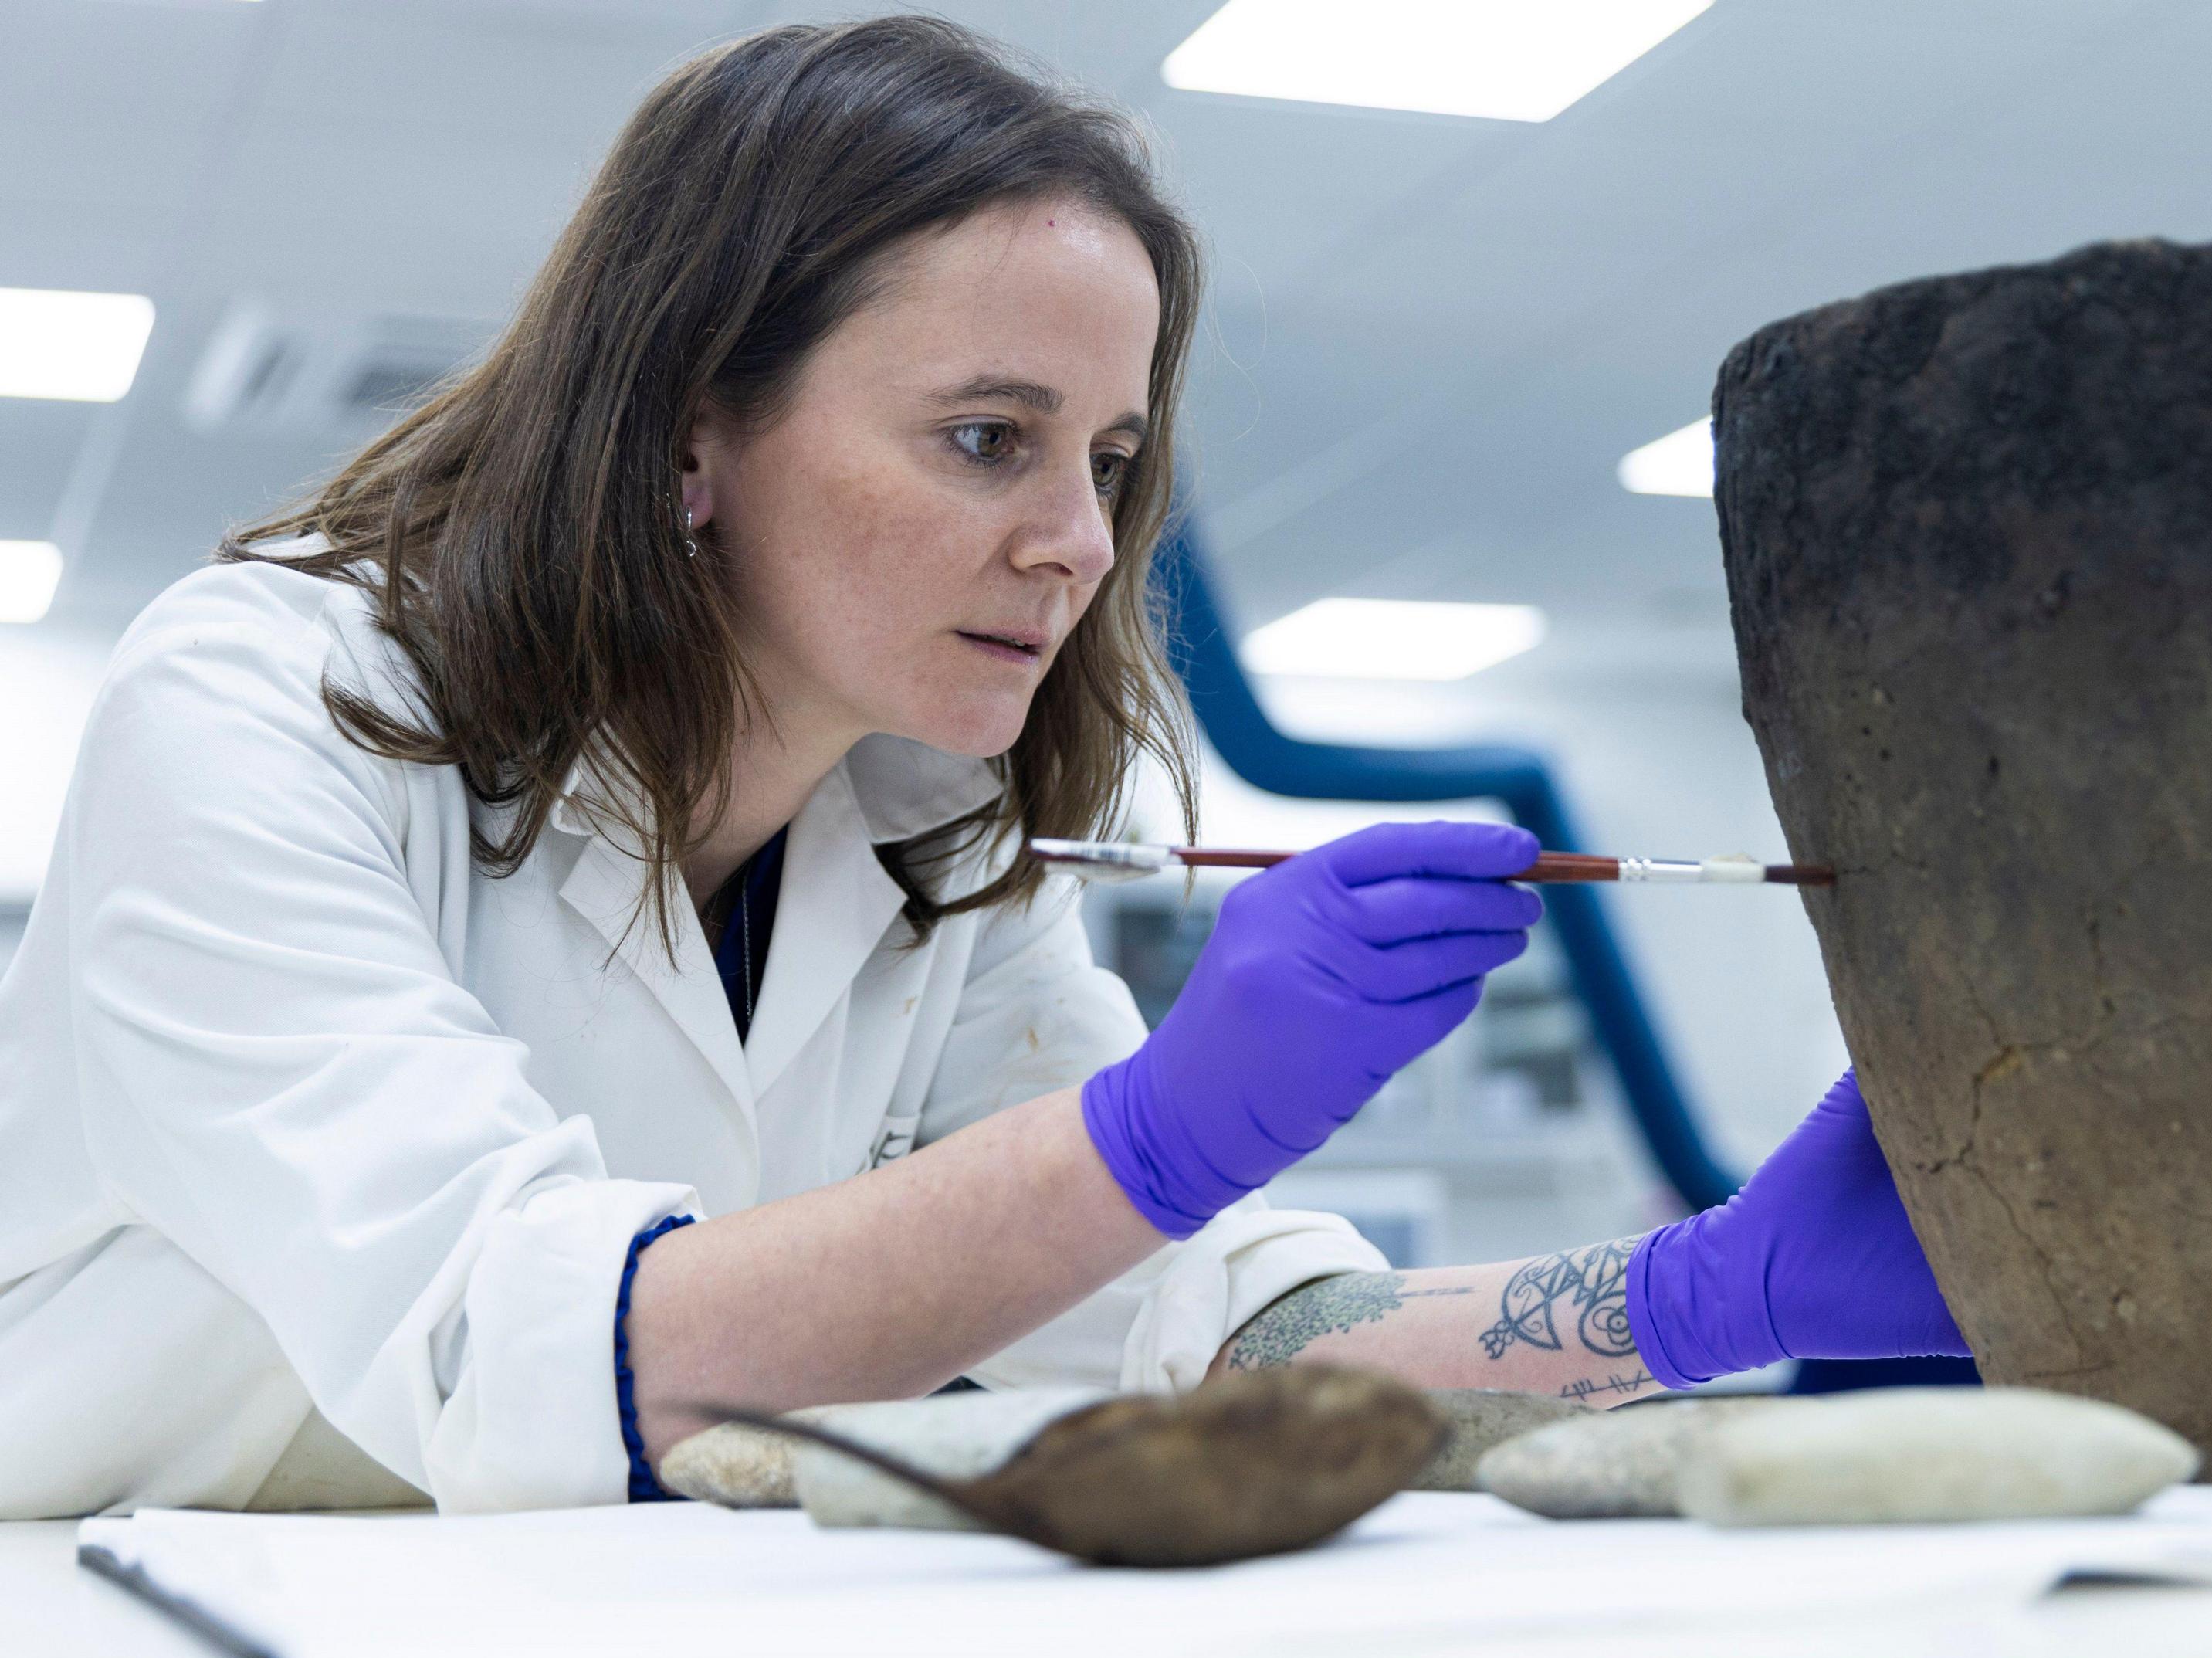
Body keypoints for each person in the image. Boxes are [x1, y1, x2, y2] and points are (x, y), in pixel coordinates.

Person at [0, 17, 1961, 1520]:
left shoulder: (926, 827)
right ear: (695, 433)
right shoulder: (272, 709)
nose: (1083, 542)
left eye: (1106, 460)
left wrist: (1699, 1301)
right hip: (123, 1587)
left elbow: (1231, 1349)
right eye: (984, 439)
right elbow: (532, 1350)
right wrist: (1147, 1142)